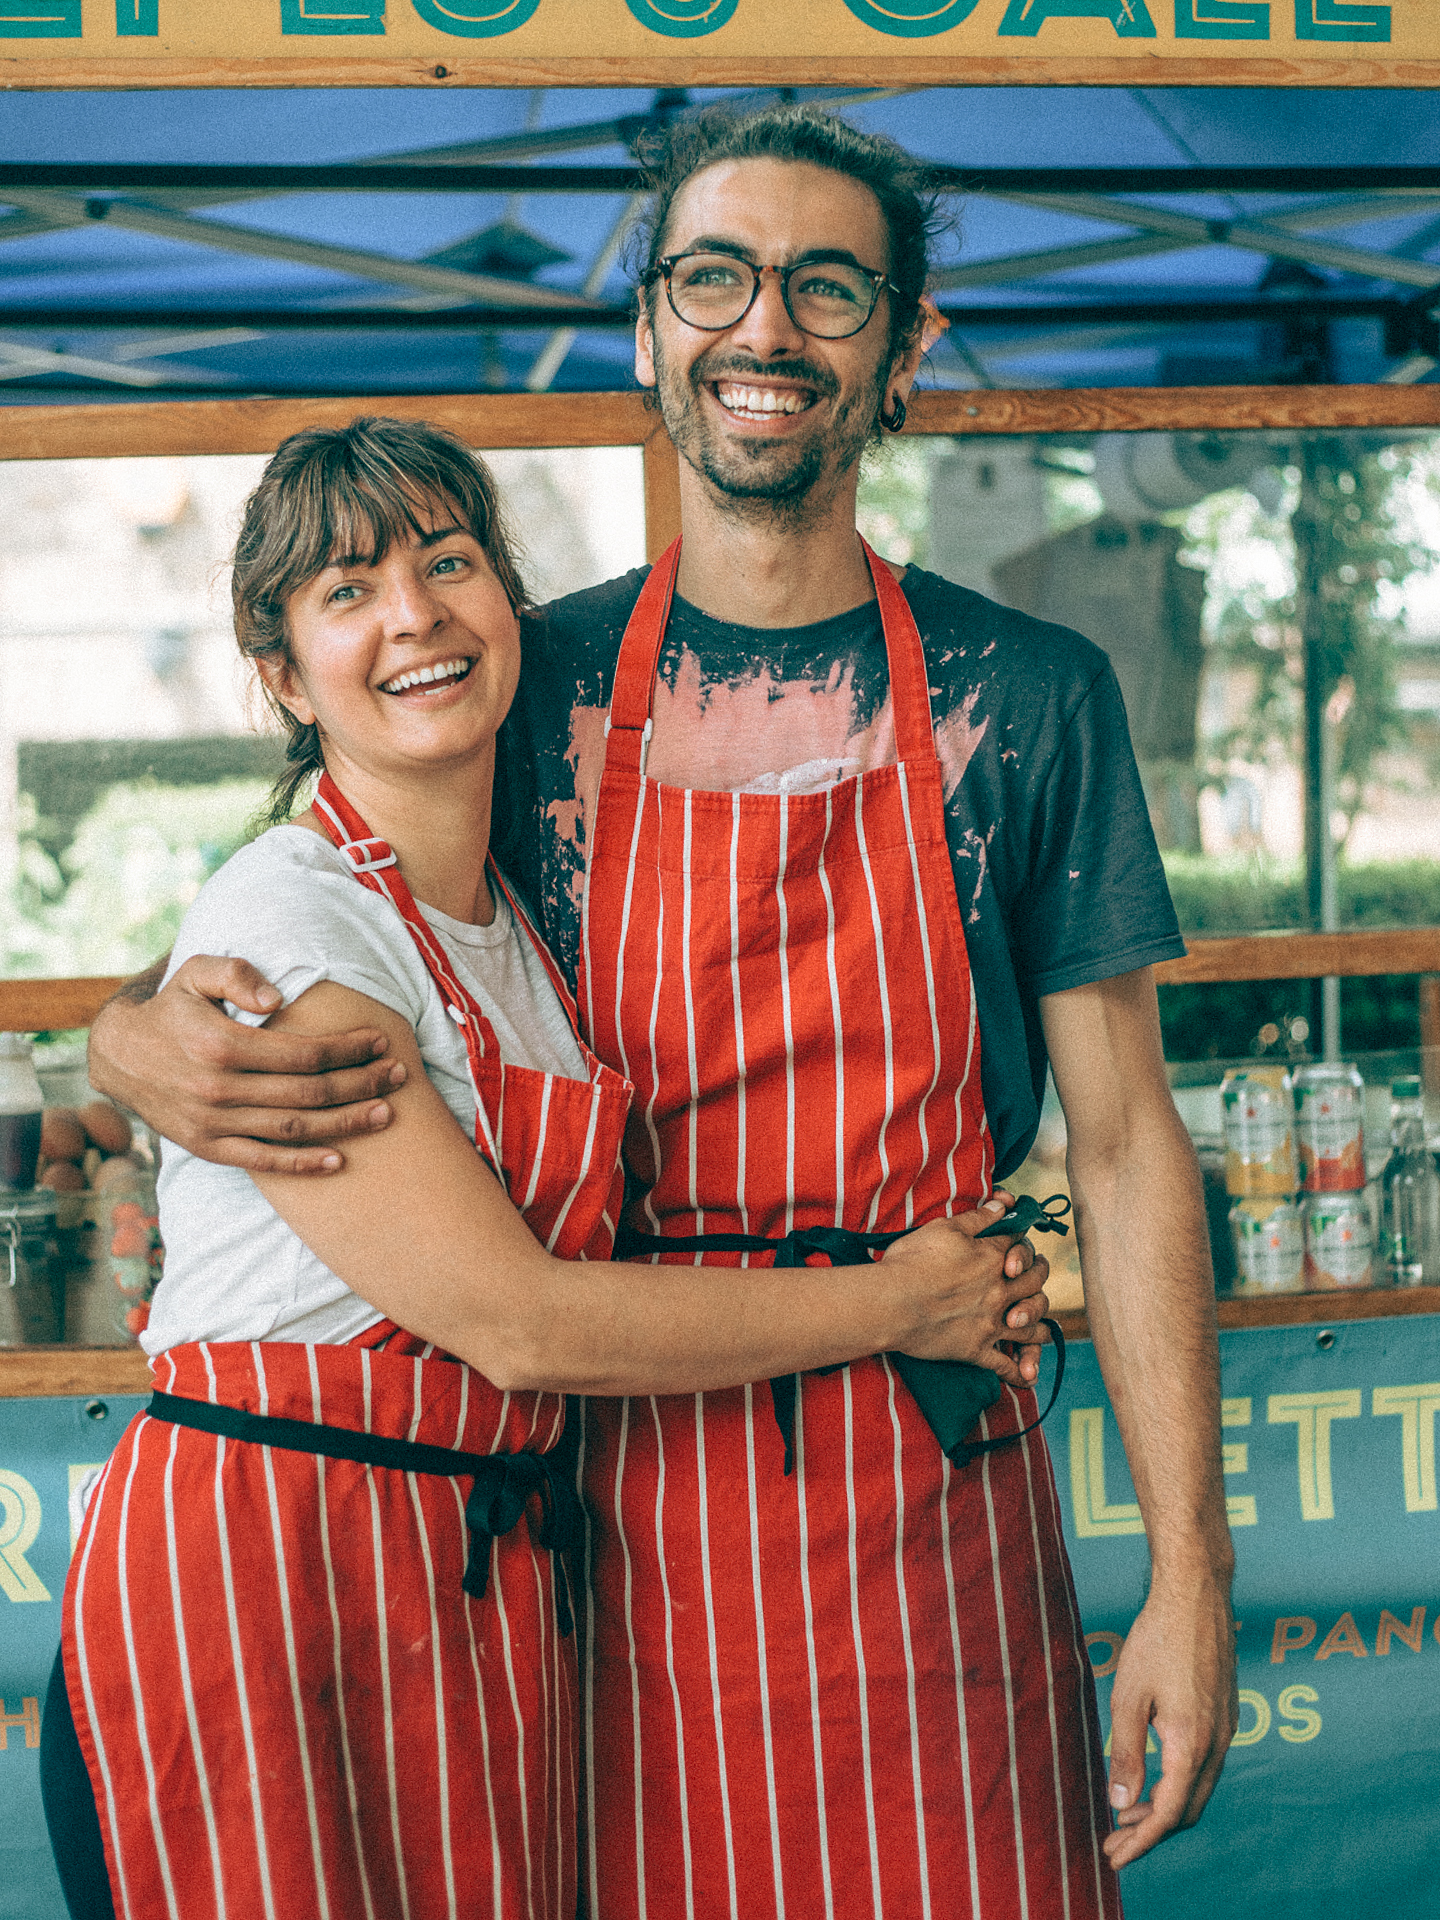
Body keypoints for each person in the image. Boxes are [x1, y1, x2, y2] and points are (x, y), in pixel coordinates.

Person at [88, 107, 1237, 1920]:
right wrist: (127, 1038)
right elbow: (307, 895)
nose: (763, 329)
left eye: (828, 287)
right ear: (649, 330)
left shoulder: (1033, 694)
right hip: (616, 1515)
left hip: (930, 1481)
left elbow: (1125, 1141)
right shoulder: (529, 688)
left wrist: (1191, 1571)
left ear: (903, 344)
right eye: (714, 277)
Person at [49, 416, 1053, 1920]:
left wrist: (107, 1032)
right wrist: (902, 1303)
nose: (412, 617)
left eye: (448, 563)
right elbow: (523, 1322)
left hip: (456, 1562)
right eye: (346, 591)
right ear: (280, 672)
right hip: (267, 1578)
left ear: (508, 604)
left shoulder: (506, 908)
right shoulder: (294, 923)